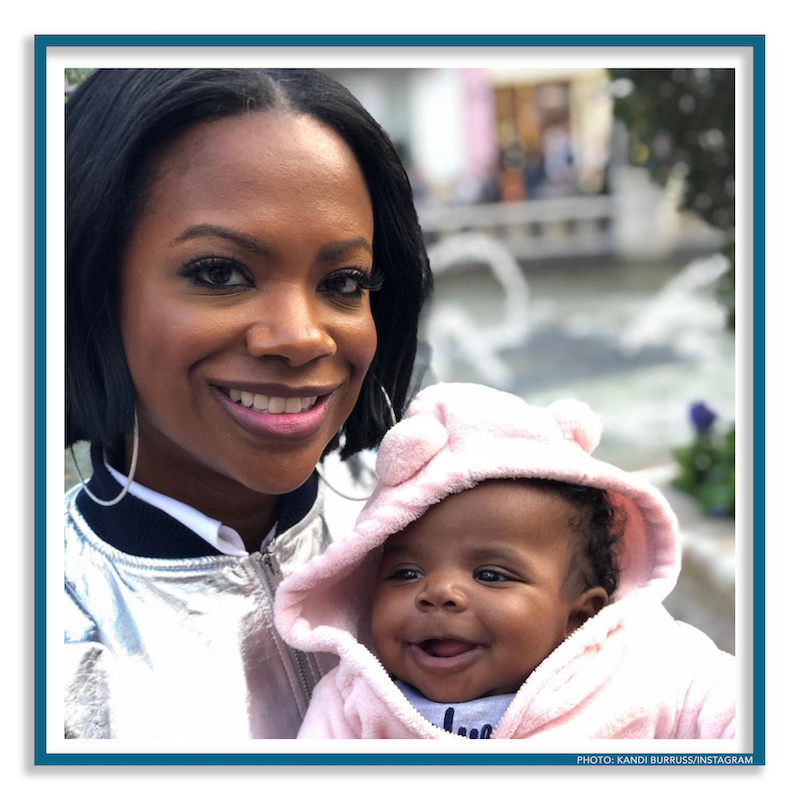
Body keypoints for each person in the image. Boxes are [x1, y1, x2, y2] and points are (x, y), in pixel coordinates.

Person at [64, 68, 432, 739]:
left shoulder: (443, 520)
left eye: (344, 282)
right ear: (91, 289)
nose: (300, 337)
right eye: (220, 272)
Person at [276, 383, 736, 739]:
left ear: (581, 615)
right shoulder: (354, 700)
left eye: (491, 575)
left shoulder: (645, 663)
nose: (437, 592)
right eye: (406, 573)